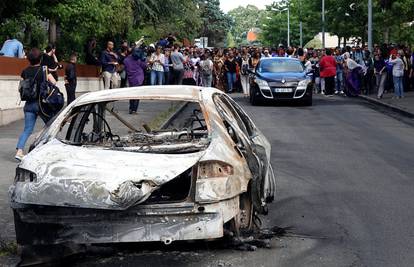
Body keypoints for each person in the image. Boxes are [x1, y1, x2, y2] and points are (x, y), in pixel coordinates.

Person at [15, 48, 57, 161]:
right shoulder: (44, 69)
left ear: (29, 59)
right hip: (41, 104)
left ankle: (19, 151)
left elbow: (21, 87)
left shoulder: (24, 71)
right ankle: (42, 141)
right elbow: (53, 82)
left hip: (28, 105)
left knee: (27, 129)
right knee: (51, 124)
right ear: (41, 58)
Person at [124, 47, 147, 114]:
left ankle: (131, 108)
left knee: (132, 94)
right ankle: (134, 110)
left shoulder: (126, 60)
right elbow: (145, 66)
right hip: (138, 79)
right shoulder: (139, 60)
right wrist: (144, 60)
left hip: (131, 79)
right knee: (137, 95)